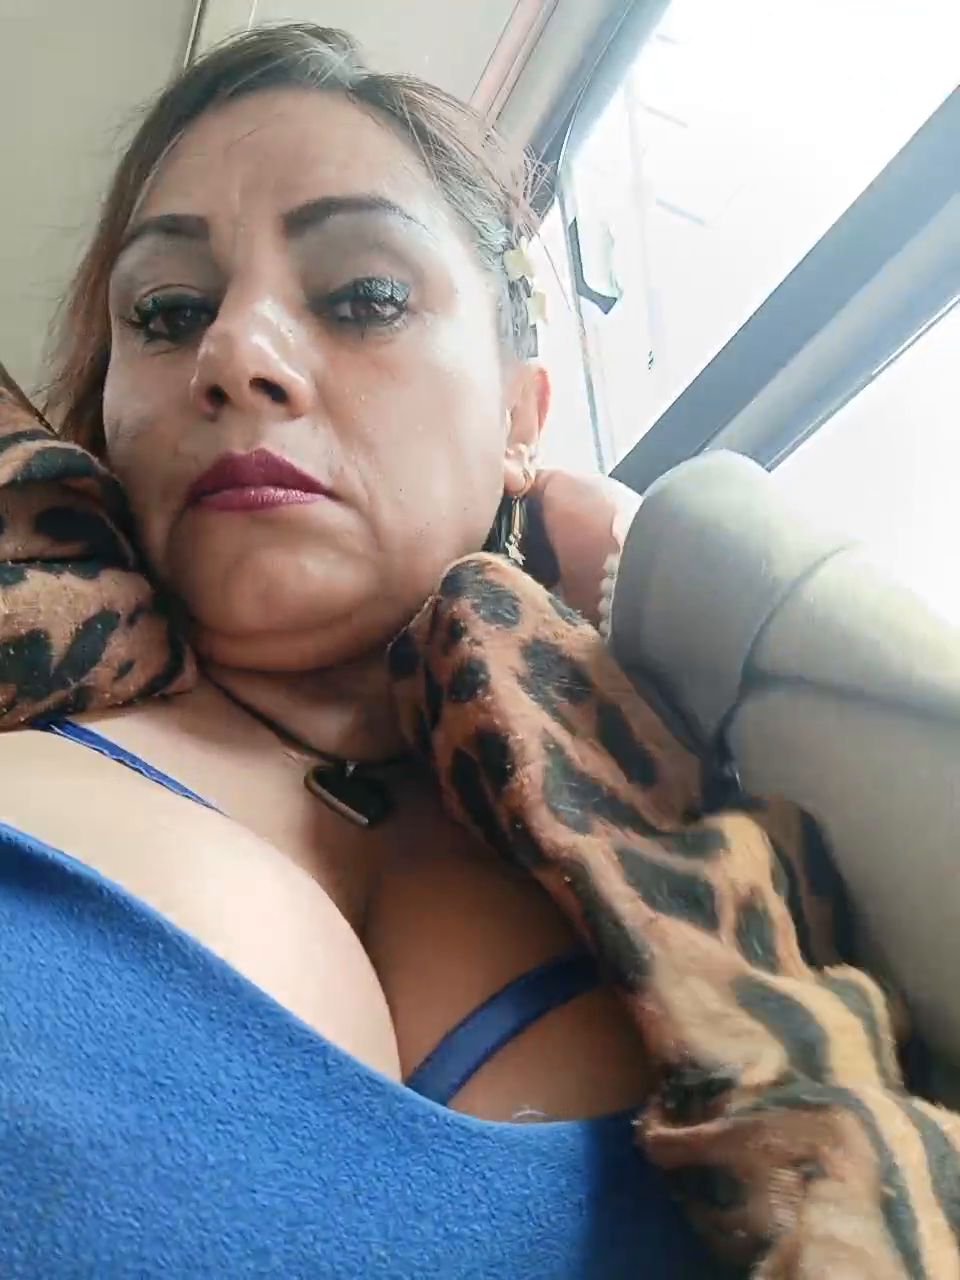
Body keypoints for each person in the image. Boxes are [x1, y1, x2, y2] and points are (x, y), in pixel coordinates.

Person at [0, 23, 717, 1279]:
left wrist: (669, 566)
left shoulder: (681, 856)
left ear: (521, 415)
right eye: (168, 312)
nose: (233, 354)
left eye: (365, 297)